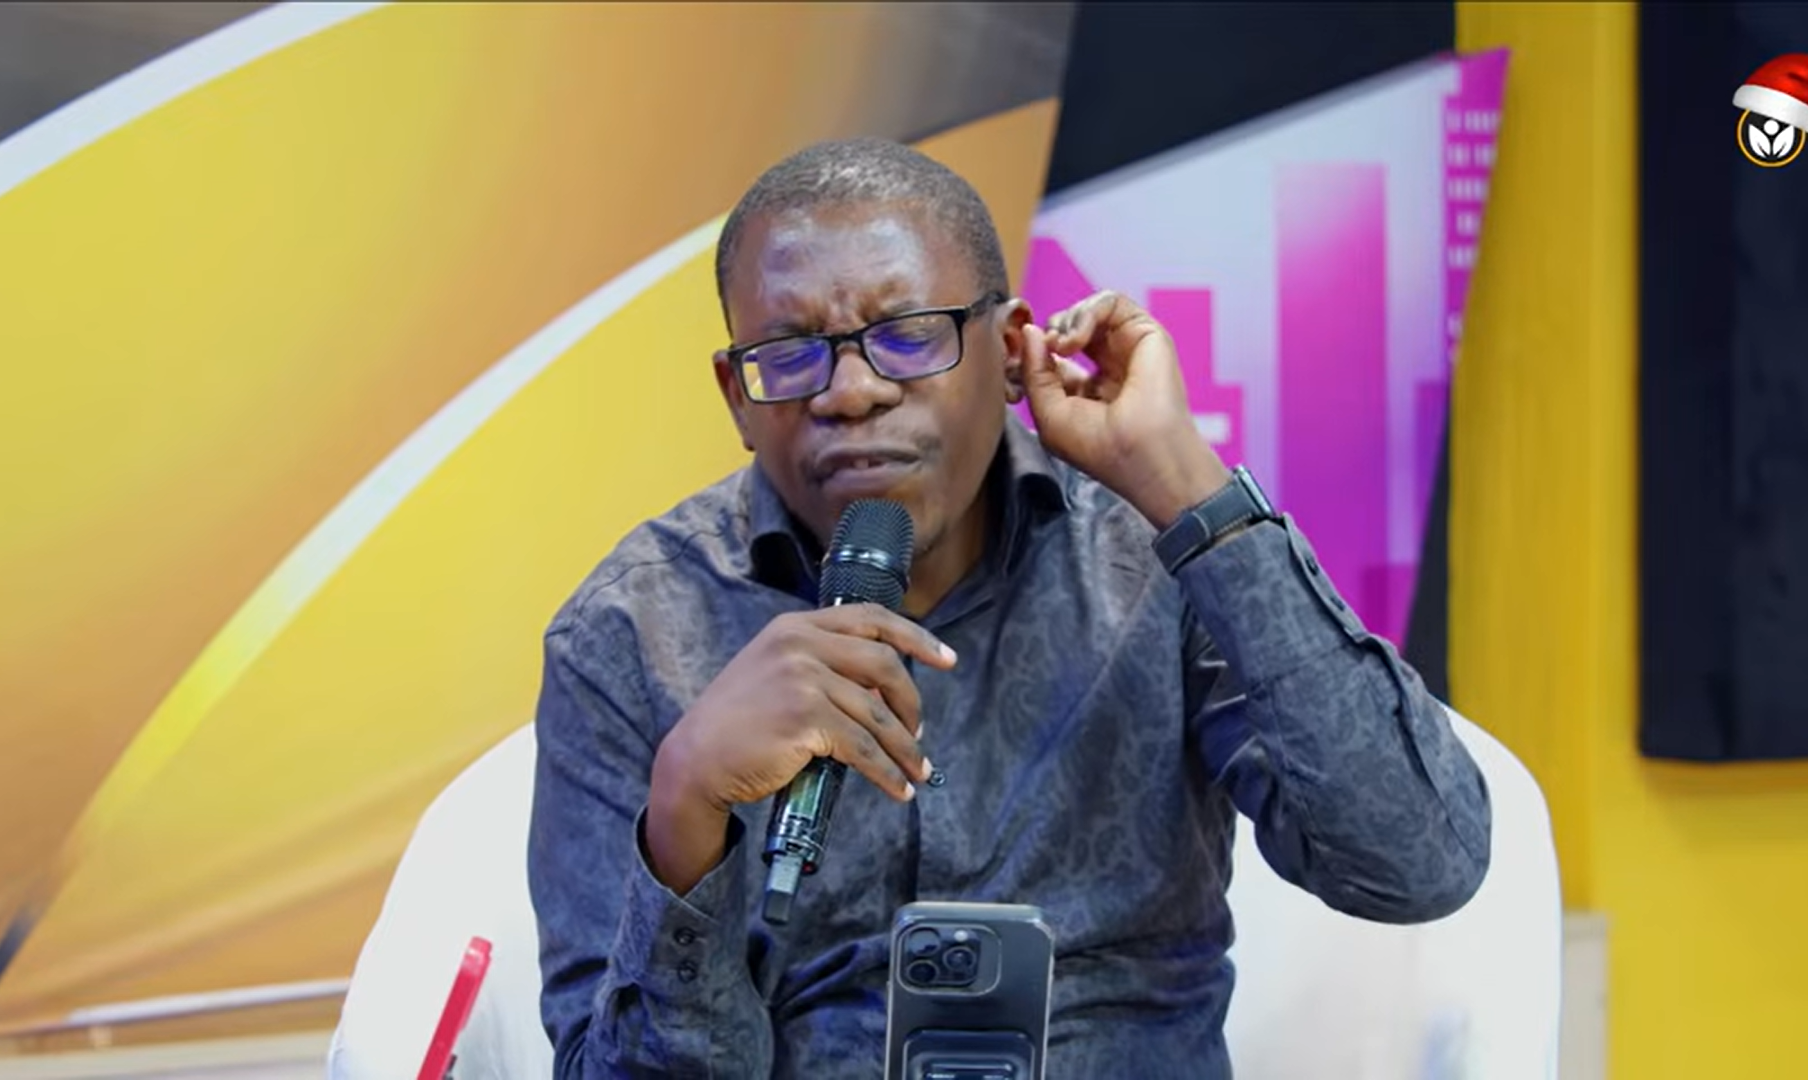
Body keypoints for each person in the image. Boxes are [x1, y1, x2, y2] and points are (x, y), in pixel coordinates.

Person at [527, 137, 1492, 1079]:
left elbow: (1418, 863)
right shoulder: (630, 634)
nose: (851, 393)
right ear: (737, 396)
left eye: (908, 335)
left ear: (1009, 347)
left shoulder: (1151, 559)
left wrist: (1190, 491)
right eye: (789, 355)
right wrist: (687, 808)